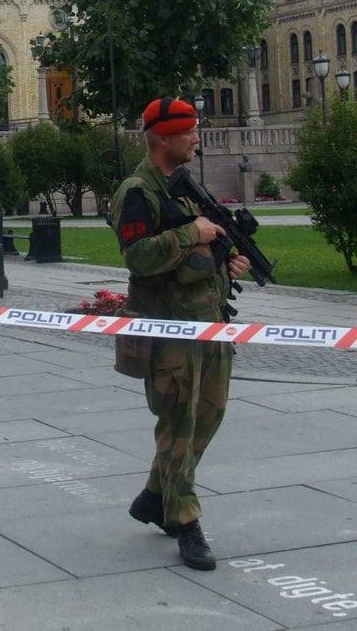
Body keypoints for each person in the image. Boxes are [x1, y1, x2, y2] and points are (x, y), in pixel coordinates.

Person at [110, 96, 251, 571]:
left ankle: (155, 496)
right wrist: (195, 235)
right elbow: (139, 256)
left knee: (209, 416)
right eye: (189, 131)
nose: (196, 138)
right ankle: (185, 521)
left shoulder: (185, 189)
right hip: (169, 331)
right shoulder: (137, 191)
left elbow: (198, 253)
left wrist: (226, 263)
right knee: (177, 424)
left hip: (208, 324)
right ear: (163, 138)